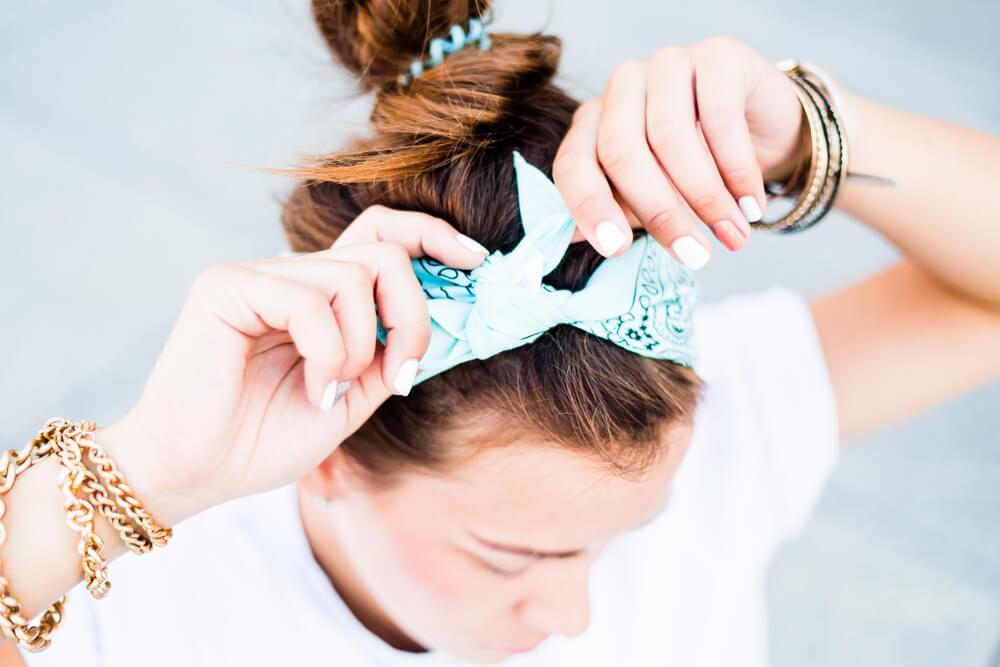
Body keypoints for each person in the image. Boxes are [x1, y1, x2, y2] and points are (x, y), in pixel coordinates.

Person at [4, 1, 1000, 665]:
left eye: (617, 544)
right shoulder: (139, 611)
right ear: (332, 454)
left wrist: (809, 133)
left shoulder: (716, 439)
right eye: (510, 557)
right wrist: (137, 477)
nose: (575, 616)